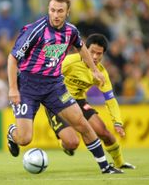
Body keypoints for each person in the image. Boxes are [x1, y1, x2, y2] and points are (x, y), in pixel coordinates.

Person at [7, 0, 123, 174]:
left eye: (60, 11)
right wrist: (13, 88)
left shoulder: (71, 31)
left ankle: (105, 167)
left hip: (54, 86)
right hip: (28, 86)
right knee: (24, 139)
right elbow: (12, 58)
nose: (56, 14)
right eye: (52, 10)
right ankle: (12, 132)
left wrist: (93, 70)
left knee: (82, 124)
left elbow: (82, 47)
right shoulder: (36, 30)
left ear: (67, 12)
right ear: (48, 9)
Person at [45, 33, 135, 169]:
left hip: (79, 102)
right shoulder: (69, 62)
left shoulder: (101, 73)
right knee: (72, 143)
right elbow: (47, 75)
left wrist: (117, 122)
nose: (94, 57)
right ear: (84, 49)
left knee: (104, 132)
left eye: (99, 54)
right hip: (57, 102)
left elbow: (110, 99)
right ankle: (62, 141)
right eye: (92, 52)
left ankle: (120, 163)